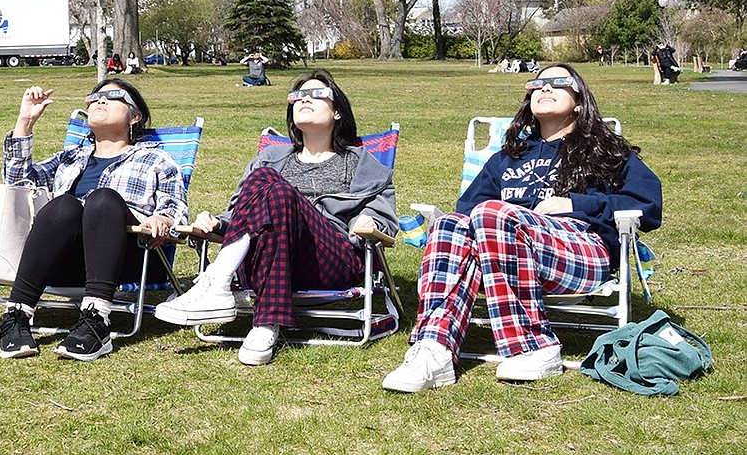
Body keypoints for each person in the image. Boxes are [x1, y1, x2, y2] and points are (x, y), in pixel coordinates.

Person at [380, 64, 663, 393]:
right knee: (450, 223)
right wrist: (502, 220)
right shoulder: (507, 158)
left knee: (493, 214)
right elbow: (468, 211)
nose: (544, 88)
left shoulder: (604, 150)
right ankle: (433, 350)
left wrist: (575, 204)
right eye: (538, 83)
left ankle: (534, 346)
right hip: (503, 250)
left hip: (580, 250)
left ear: (580, 101)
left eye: (558, 82)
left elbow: (648, 205)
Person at [155, 69, 398, 365]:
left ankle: (217, 283)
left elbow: (382, 215)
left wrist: (370, 221)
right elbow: (239, 215)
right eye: (297, 96)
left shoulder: (362, 163)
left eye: (316, 94)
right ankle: (263, 326)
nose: (304, 100)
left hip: (328, 260)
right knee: (268, 178)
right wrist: (219, 223)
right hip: (267, 257)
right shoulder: (269, 158)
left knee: (275, 187)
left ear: (337, 111)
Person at [0, 79, 187, 362]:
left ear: (135, 116)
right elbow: (17, 185)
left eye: (113, 96)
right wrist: (25, 121)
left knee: (102, 200)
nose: (100, 100)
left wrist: (163, 218)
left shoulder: (156, 160)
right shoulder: (70, 158)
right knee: (64, 205)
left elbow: (176, 209)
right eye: (95, 96)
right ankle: (16, 315)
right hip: (61, 262)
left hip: (127, 258)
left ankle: (96, 319)